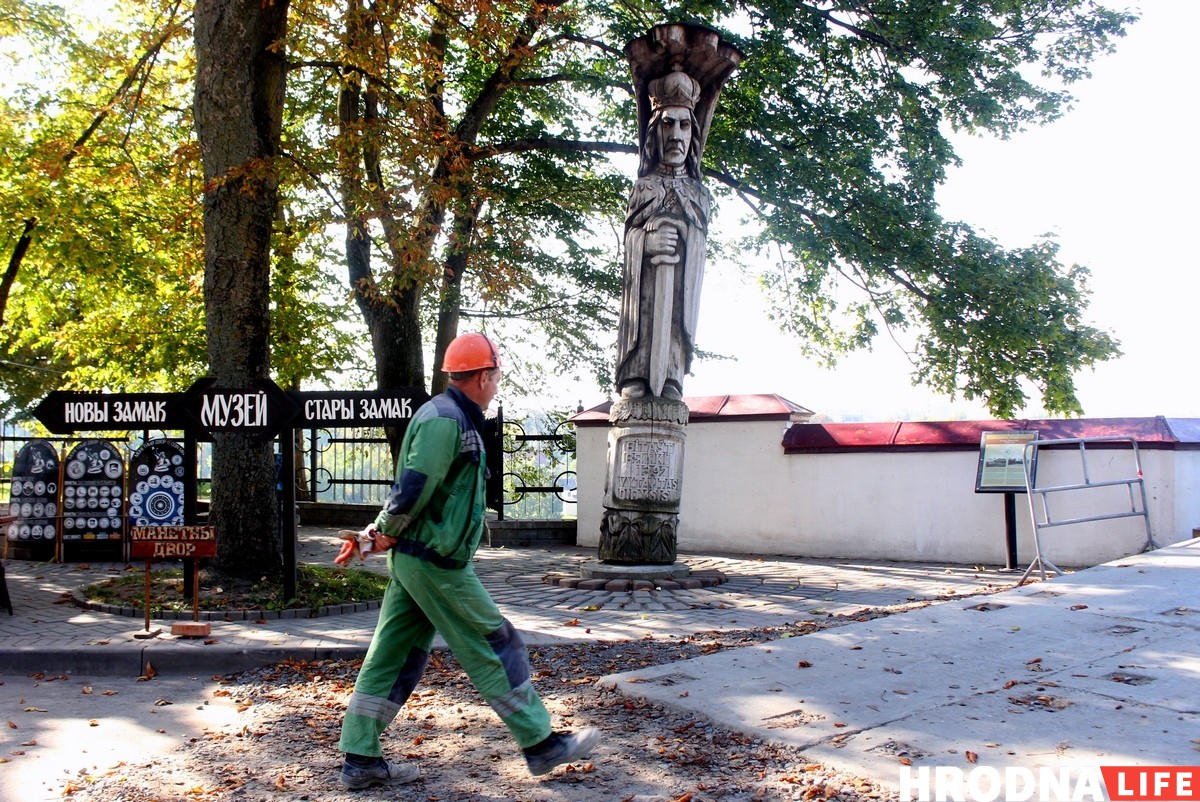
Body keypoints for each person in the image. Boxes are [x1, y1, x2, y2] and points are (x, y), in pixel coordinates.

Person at [335, 332, 600, 790]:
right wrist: (379, 535)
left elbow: (417, 488)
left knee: (394, 656)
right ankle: (540, 743)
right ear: (481, 376)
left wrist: (376, 536)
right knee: (496, 644)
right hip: (436, 562)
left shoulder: (452, 416)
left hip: (419, 560)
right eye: (495, 376)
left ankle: (360, 759)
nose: (496, 385)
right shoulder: (445, 420)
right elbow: (414, 488)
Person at [616, 65, 711, 401]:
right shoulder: (643, 188)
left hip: (676, 292)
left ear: (693, 133)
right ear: (655, 132)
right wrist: (645, 242)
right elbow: (628, 243)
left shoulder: (699, 193)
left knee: (672, 315)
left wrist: (686, 235)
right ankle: (637, 371)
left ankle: (672, 373)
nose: (676, 135)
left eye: (684, 125)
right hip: (645, 292)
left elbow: (701, 248)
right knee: (645, 308)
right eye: (668, 124)